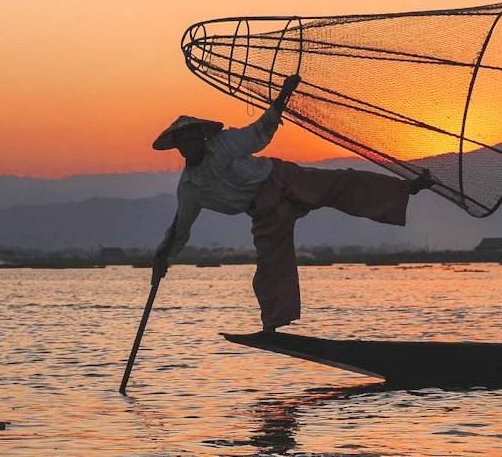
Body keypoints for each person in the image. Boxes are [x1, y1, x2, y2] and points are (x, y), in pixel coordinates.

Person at [151, 74, 434, 332]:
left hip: (280, 178)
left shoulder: (223, 144)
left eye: (192, 137)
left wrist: (284, 95)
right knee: (269, 265)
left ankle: (409, 188)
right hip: (264, 210)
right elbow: (180, 229)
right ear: (178, 147)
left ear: (201, 138)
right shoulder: (189, 188)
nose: (189, 144)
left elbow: (259, 131)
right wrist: (164, 257)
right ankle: (273, 326)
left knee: (341, 183)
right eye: (183, 141)